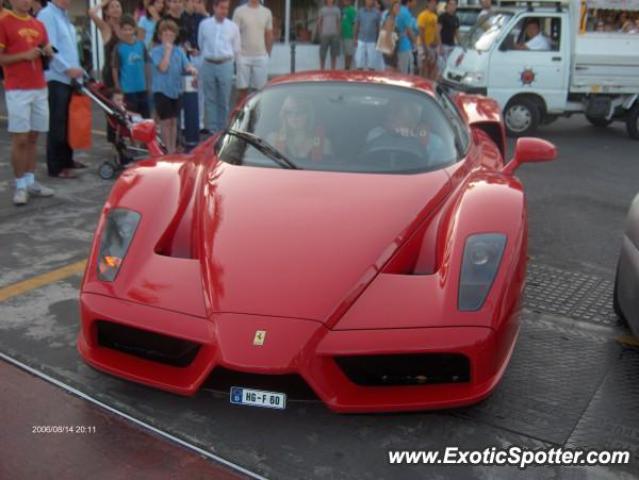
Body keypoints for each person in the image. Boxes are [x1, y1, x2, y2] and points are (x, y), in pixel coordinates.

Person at [0, 0, 55, 205]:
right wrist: (24, 55)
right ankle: (20, 184)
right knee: (20, 138)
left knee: (33, 137)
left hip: (39, 86)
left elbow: (45, 49)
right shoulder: (4, 22)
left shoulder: (38, 24)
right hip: (17, 89)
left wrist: (49, 50)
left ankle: (31, 181)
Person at [38, 0, 85, 179]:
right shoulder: (48, 15)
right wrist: (67, 68)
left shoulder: (64, 16)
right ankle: (56, 166)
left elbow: (70, 49)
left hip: (70, 78)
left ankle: (67, 160)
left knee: (68, 121)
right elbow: (51, 48)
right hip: (57, 77)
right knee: (57, 123)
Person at [150, 19, 197, 153]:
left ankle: (173, 148)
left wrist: (192, 69)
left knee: (174, 121)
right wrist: (167, 52)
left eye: (171, 35)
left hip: (176, 90)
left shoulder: (179, 51)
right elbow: (163, 67)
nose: (168, 37)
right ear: (160, 36)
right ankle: (168, 149)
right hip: (161, 90)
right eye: (166, 35)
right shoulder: (156, 51)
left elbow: (187, 64)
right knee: (165, 121)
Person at [198, 0, 240, 134]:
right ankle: (212, 131)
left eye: (226, 9)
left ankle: (223, 131)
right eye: (221, 8)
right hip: (208, 64)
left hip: (225, 64)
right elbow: (201, 43)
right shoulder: (204, 24)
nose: (224, 11)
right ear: (214, 7)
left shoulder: (233, 26)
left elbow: (236, 47)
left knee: (224, 99)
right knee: (210, 99)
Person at [266, 96, 332, 163]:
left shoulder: (323, 143)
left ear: (309, 114)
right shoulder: (273, 139)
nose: (294, 116)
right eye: (289, 112)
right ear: (284, 115)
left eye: (300, 111)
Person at [232, 0, 273, 104]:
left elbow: (269, 34)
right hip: (243, 57)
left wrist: (268, 53)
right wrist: (236, 54)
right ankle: (240, 117)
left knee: (260, 92)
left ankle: (256, 118)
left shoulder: (267, 12)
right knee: (242, 91)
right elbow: (233, 34)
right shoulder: (239, 11)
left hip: (261, 57)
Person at [112, 14, 150, 118]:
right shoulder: (118, 47)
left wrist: (148, 83)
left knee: (145, 119)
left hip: (142, 87)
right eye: (125, 29)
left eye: (130, 29)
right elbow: (115, 68)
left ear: (134, 29)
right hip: (127, 89)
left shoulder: (141, 45)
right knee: (132, 119)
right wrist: (117, 85)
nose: (128, 32)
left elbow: (146, 64)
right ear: (120, 30)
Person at [88, 0, 123, 89]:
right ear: (106, 12)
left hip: (125, 71)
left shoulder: (125, 27)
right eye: (112, 7)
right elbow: (91, 12)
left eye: (118, 6)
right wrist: (105, 2)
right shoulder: (105, 27)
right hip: (110, 72)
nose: (116, 9)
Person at [354, 0, 380, 70]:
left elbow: (378, 27)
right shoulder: (360, 11)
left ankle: (371, 79)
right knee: (359, 63)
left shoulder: (377, 13)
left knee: (371, 65)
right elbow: (357, 25)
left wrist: (378, 40)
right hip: (361, 39)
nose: (370, 1)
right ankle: (359, 79)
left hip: (372, 41)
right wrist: (355, 38)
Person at [417, 0, 439, 80]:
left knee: (431, 67)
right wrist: (425, 47)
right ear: (428, 3)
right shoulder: (422, 15)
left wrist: (436, 42)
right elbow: (421, 32)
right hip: (423, 45)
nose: (433, 5)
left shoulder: (435, 16)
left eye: (435, 3)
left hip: (432, 46)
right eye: (432, 3)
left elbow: (436, 32)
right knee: (423, 66)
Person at [396, 0, 417, 75]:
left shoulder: (397, 10)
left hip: (396, 46)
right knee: (406, 73)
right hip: (405, 46)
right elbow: (410, 31)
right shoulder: (406, 13)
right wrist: (415, 42)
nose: (416, 2)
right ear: (409, 1)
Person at [378, 1, 401, 71]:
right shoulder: (390, 19)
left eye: (399, 7)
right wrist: (389, 51)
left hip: (393, 52)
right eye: (396, 7)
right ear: (392, 8)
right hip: (390, 53)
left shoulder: (393, 19)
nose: (398, 9)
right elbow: (387, 35)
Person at [438, 0, 460, 66]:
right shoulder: (442, 17)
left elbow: (457, 33)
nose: (452, 6)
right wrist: (440, 45)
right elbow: (437, 31)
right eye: (450, 4)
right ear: (447, 5)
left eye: (454, 4)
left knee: (450, 66)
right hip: (443, 45)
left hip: (452, 46)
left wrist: (461, 44)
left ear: (456, 6)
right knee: (441, 69)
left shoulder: (456, 18)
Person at [341, 0, 356, 70]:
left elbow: (354, 23)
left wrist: (353, 34)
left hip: (349, 34)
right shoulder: (344, 10)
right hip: (343, 34)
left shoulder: (352, 10)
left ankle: (348, 67)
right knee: (346, 52)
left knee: (349, 53)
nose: (345, 1)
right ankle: (345, 67)